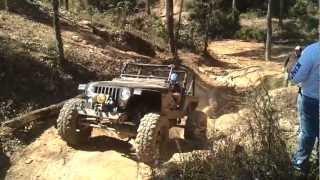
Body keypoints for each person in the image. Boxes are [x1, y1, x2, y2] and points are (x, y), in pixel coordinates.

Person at [290, 42, 319, 174]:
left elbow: (295, 78)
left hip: (310, 99)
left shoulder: (311, 51)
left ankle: (300, 166)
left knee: (307, 133)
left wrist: (295, 62)